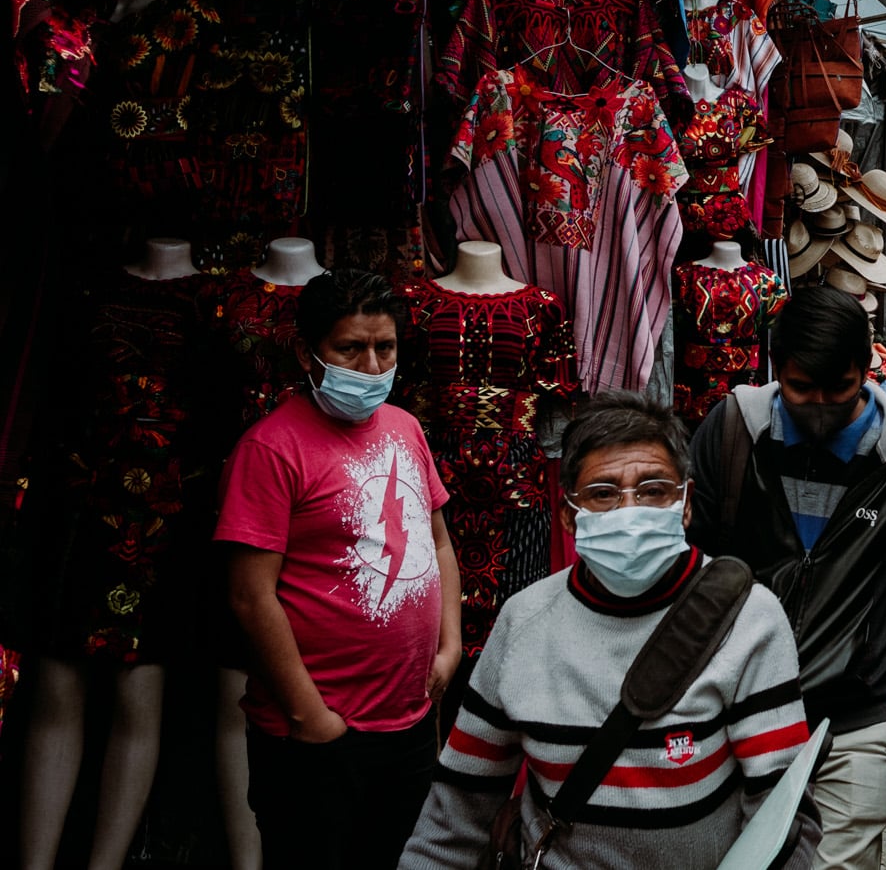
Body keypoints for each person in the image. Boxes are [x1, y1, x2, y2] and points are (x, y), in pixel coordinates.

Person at [401, 396, 820, 867]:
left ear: (684, 506)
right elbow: (455, 816)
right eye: (603, 493)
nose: (630, 510)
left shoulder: (749, 620)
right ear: (567, 516)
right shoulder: (523, 624)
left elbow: (781, 820)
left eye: (653, 490)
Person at [689, 287, 886, 870]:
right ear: (776, 370)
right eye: (801, 389)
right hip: (736, 706)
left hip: (854, 715)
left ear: (867, 371)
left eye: (840, 390)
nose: (820, 407)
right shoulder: (733, 431)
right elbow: (695, 566)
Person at [215, 268, 462, 870]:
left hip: (406, 721)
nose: (373, 366)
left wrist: (450, 647)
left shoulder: (405, 428)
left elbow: (439, 545)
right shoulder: (272, 449)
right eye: (351, 348)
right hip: (319, 732)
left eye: (386, 348)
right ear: (307, 351)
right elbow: (251, 597)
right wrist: (308, 715)